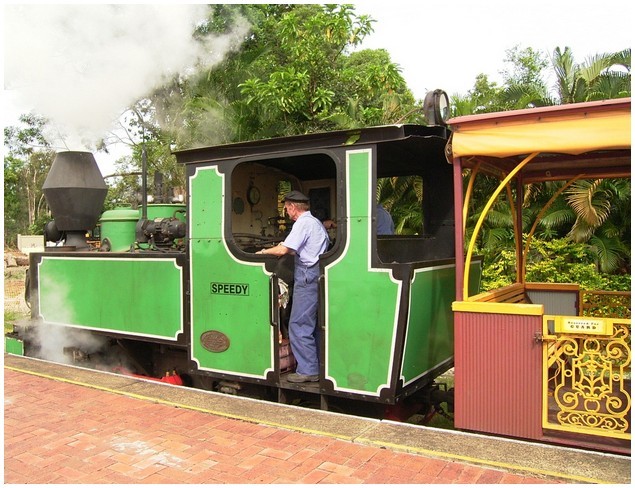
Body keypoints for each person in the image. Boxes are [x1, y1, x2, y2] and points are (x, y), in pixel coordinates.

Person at [256, 190, 330, 383]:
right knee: (311, 324)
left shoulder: (303, 223)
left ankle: (308, 370)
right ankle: (316, 365)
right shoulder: (315, 223)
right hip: (315, 275)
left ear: (293, 208)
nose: (285, 212)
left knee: (298, 324)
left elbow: (284, 249)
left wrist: (262, 251)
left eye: (286, 208)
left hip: (306, 276)